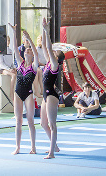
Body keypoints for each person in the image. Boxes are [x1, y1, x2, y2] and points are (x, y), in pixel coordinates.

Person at [9, 23, 38, 155]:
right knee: (18, 120)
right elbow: (15, 48)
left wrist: (30, 40)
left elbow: (36, 53)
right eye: (26, 50)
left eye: (30, 50)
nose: (28, 50)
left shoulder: (34, 66)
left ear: (32, 55)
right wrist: (14, 32)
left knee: (30, 120)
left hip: (28, 94)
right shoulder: (20, 63)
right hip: (18, 93)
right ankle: (17, 146)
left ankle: (33, 147)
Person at [40, 17, 65, 159]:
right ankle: (54, 145)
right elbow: (44, 46)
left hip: (52, 95)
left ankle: (52, 152)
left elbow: (49, 48)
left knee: (52, 124)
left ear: (57, 58)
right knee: (43, 123)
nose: (51, 53)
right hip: (46, 94)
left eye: (54, 53)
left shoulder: (55, 66)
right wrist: (43, 29)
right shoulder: (50, 63)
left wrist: (47, 31)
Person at [0, 36, 16, 104]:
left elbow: (11, 63)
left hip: (9, 68)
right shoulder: (0, 51)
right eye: (6, 41)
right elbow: (1, 63)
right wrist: (9, 69)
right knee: (13, 75)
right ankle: (11, 93)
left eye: (8, 40)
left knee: (18, 74)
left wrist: (13, 67)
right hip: (2, 69)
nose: (7, 42)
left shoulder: (10, 51)